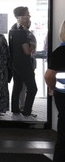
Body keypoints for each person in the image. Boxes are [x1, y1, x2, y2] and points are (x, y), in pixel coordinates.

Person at [9, 6, 38, 118]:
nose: (29, 16)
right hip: (25, 64)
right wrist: (33, 46)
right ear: (20, 17)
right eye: (27, 14)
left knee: (17, 86)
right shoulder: (22, 33)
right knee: (33, 88)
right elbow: (27, 51)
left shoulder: (12, 29)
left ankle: (15, 109)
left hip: (15, 63)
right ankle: (27, 111)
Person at [44, 20, 65, 162]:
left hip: (63, 96)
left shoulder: (60, 52)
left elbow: (49, 75)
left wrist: (52, 87)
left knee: (63, 137)